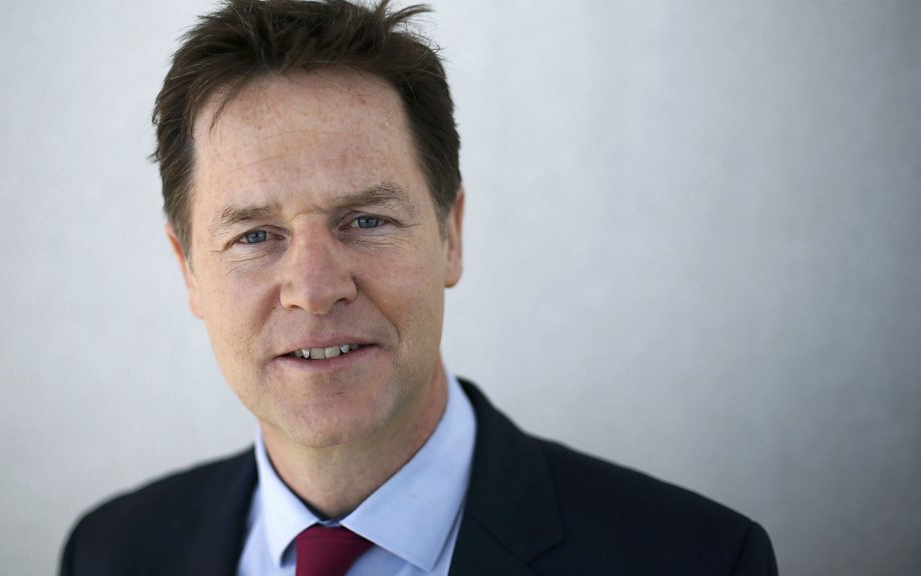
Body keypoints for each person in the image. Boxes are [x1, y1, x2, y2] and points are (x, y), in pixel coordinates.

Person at [60, 1, 779, 574]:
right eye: (254, 236)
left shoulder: (698, 559)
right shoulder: (110, 552)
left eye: (366, 220)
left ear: (450, 236)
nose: (314, 289)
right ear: (189, 270)